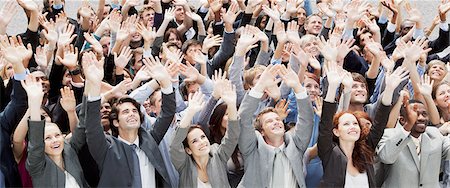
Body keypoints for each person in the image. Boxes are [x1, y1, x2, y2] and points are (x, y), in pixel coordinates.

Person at [84, 52, 176, 187]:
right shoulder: (107, 148)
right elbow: (92, 127)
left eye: (134, 111)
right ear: (116, 122)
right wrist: (94, 84)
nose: (132, 114)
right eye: (126, 112)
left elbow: (168, 113)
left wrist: (165, 82)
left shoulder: (149, 140)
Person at [318, 62, 406, 187]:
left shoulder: (366, 151)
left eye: (355, 123)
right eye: (346, 124)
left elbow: (379, 124)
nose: (352, 126)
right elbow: (325, 124)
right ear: (336, 131)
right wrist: (332, 87)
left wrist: (389, 90)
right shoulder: (329, 152)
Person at [237, 64, 313, 188]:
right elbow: (243, 120)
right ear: (261, 131)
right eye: (269, 121)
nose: (276, 122)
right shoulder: (252, 148)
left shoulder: (296, 144)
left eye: (277, 119)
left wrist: (298, 87)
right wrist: (260, 85)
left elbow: (307, 120)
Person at [170, 79, 239, 187]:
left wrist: (231, 105)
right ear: (188, 150)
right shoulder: (184, 165)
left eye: (203, 137)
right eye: (194, 141)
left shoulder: (218, 154)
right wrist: (190, 113)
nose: (202, 142)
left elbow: (232, 137)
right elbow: (174, 145)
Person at [24, 74, 88, 187]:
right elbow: (35, 142)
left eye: (57, 135)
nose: (54, 140)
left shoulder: (69, 151)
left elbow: (81, 129)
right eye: (48, 138)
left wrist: (71, 111)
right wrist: (34, 104)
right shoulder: (37, 164)